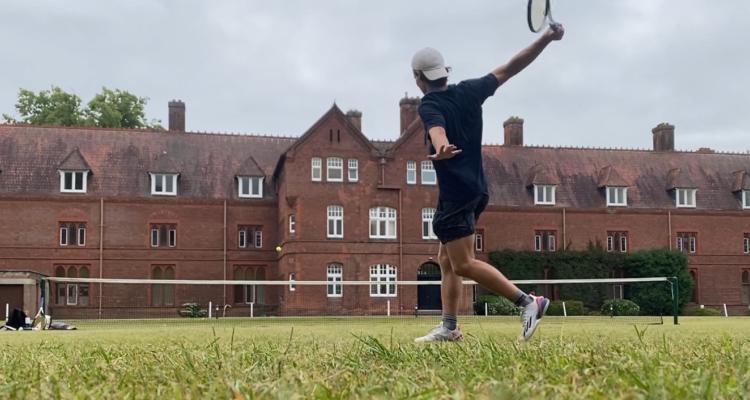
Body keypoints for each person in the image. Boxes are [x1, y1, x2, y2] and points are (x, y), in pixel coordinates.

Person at [413, 25, 565, 343]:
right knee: (446, 260)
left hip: (456, 195)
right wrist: (547, 39)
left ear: (419, 78)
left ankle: (528, 302)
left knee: (464, 263)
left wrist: (440, 146)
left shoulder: (429, 104)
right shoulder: (470, 90)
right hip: (477, 190)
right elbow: (512, 66)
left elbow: (436, 130)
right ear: (445, 72)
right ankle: (450, 326)